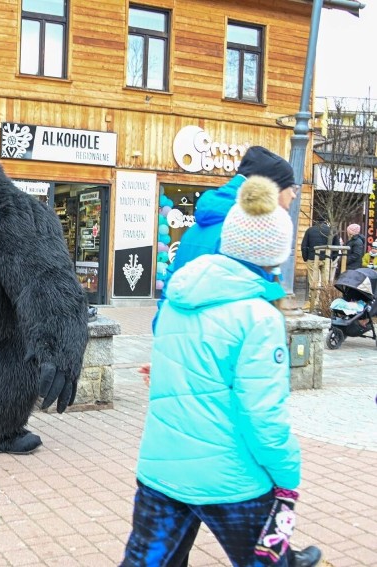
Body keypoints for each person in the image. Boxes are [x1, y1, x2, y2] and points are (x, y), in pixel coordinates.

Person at [121, 177, 321, 567]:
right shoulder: (259, 317)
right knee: (265, 562)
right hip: (232, 479)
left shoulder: (179, 295)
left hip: (162, 469)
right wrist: (287, 472)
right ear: (276, 253)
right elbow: (263, 415)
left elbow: (171, 369)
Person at [155, 146, 298, 330]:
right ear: (270, 188)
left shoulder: (196, 229)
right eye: (290, 186)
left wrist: (163, 329)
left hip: (181, 343)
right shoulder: (246, 233)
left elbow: (171, 283)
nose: (294, 194)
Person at [300, 218, 340, 312]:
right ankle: (324, 302)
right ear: (326, 221)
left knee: (313, 281)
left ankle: (312, 302)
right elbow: (336, 246)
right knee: (325, 282)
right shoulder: (331, 231)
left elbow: (304, 246)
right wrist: (332, 258)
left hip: (313, 257)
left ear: (316, 221)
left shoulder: (310, 230)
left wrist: (306, 258)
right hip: (326, 258)